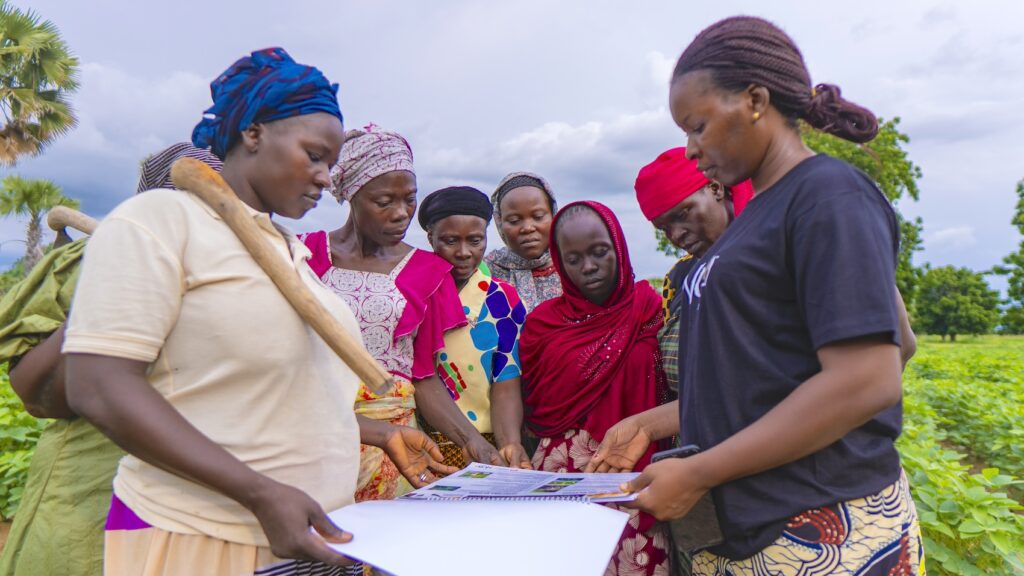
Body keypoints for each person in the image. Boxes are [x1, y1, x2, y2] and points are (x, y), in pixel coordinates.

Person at [63, 47, 442, 576]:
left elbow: (259, 397)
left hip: (311, 537)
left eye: (332, 165)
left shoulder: (289, 252)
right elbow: (98, 385)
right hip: (202, 536)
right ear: (254, 132)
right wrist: (259, 493)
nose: (324, 178)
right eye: (313, 155)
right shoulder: (158, 221)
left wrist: (379, 432)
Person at [611, 17, 924, 575]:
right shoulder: (755, 220)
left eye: (698, 125)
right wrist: (648, 424)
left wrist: (702, 471)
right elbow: (756, 381)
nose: (689, 150)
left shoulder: (827, 195)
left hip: (822, 526)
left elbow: (874, 372)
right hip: (749, 533)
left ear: (755, 100)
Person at [0, 143, 222, 576]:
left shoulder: (230, 276)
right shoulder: (92, 261)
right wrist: (104, 300)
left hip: (192, 493)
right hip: (89, 480)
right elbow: (38, 398)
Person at [301, 125, 501, 502]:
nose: (401, 214)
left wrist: (472, 441)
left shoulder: (427, 272)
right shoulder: (305, 257)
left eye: (409, 199)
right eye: (384, 201)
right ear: (351, 194)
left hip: (398, 449)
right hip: (316, 438)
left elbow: (423, 377)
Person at [520, 200, 670, 576]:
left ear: (618, 246)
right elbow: (534, 405)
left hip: (638, 477)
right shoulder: (544, 325)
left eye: (599, 252)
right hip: (563, 475)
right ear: (559, 261)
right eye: (573, 259)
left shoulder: (653, 310)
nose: (588, 267)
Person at [417, 185, 531, 469]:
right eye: (450, 240)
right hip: (421, 445)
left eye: (476, 240)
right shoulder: (414, 294)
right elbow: (419, 377)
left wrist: (509, 444)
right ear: (430, 237)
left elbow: (506, 376)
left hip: (489, 445)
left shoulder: (503, 299)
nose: (464, 252)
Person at [484, 172, 561, 313]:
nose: (527, 228)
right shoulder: (484, 273)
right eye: (514, 221)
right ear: (500, 222)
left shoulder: (572, 268)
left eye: (538, 216)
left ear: (553, 214)